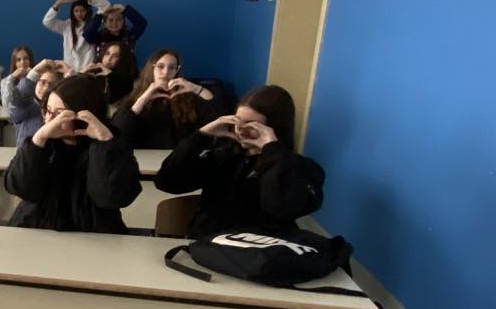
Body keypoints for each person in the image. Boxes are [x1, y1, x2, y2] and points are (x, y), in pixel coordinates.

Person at [154, 84, 325, 239]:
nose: (241, 130)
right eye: (237, 121)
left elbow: (279, 207)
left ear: (273, 128)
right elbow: (167, 182)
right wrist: (200, 136)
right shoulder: (224, 156)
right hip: (208, 248)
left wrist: (272, 151)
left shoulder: (301, 168)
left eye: (251, 125)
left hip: (258, 255)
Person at [3, 76, 140, 233]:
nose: (50, 120)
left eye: (60, 114)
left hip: (94, 238)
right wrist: (38, 139)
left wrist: (105, 142)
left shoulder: (112, 146)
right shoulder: (42, 145)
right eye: (48, 111)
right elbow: (21, 188)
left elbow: (110, 198)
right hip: (39, 232)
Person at [111, 48, 217, 149]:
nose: (166, 72)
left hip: (181, 156)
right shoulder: (134, 98)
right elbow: (118, 134)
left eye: (172, 68)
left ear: (177, 71)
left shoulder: (189, 98)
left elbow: (216, 119)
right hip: (146, 159)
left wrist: (197, 89)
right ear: (151, 69)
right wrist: (143, 99)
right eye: (160, 66)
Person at [40, 0, 109, 73]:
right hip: (69, 71)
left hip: (88, 71)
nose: (79, 14)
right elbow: (47, 22)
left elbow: (105, 5)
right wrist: (58, 3)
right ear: (72, 12)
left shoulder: (93, 24)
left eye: (82, 10)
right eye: (76, 11)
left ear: (87, 11)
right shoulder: (66, 26)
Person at [5, 58, 65, 147]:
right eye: (43, 82)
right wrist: (35, 70)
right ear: (35, 83)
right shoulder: (26, 105)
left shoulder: (59, 109)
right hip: (27, 154)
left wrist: (70, 72)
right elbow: (14, 97)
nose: (46, 88)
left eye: (51, 84)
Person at [82, 2, 148, 60]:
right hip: (103, 68)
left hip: (126, 68)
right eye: (110, 20)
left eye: (118, 20)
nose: (114, 24)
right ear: (105, 23)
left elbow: (142, 23)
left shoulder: (129, 35)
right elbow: (87, 34)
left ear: (123, 22)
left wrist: (126, 10)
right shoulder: (99, 37)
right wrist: (100, 16)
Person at [90, 40, 137, 104]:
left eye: (115, 56)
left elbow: (112, 100)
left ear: (122, 59)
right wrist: (82, 73)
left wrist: (110, 75)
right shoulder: (93, 72)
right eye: (107, 53)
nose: (109, 59)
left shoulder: (125, 80)